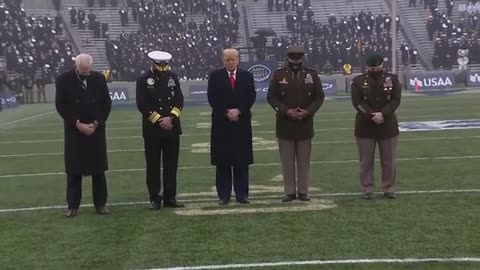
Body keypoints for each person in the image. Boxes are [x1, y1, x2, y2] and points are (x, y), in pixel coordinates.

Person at [55, 54, 112, 217]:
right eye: (83, 71)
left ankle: (100, 204)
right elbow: (61, 105)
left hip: (96, 130)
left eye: (88, 71)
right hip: (75, 131)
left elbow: (106, 103)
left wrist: (95, 123)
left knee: (98, 170)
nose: (86, 73)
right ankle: (72, 206)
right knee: (74, 171)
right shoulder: (63, 80)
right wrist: (77, 124)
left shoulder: (99, 79)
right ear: (76, 66)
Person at [267, 46, 325, 202]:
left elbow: (319, 97)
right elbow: (272, 97)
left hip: (305, 124)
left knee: (304, 161)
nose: (295, 61)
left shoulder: (311, 74)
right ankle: (289, 192)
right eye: (293, 58)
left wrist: (308, 111)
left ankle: (303, 191)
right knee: (287, 162)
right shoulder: (279, 75)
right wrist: (286, 111)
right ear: (288, 58)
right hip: (285, 124)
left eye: (298, 58)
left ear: (302, 58)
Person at [136, 51, 185, 210]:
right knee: (153, 165)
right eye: (160, 64)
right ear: (153, 63)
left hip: (172, 128)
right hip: (153, 130)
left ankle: (170, 197)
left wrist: (171, 118)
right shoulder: (143, 79)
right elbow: (142, 104)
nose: (163, 67)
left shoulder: (173, 77)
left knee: (171, 165)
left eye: (165, 64)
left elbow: (179, 99)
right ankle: (155, 198)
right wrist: (159, 120)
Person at [207, 48, 256, 205]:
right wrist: (227, 112)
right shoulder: (215, 76)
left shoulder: (247, 76)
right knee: (223, 162)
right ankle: (224, 195)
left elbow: (251, 96)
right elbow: (212, 98)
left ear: (238, 60)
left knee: (241, 161)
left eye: (233, 59)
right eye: (227, 59)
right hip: (222, 124)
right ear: (223, 60)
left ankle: (242, 194)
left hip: (241, 124)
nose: (230, 62)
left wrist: (239, 111)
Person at [350, 54, 401, 200]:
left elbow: (396, 100)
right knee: (366, 160)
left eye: (377, 68)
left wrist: (382, 114)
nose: (375, 70)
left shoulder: (392, 79)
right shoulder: (358, 81)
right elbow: (357, 102)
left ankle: (389, 188)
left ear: (382, 66)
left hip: (387, 125)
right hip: (365, 125)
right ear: (367, 67)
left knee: (389, 160)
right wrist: (372, 114)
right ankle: (367, 188)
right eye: (372, 68)